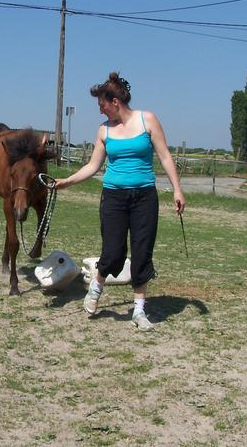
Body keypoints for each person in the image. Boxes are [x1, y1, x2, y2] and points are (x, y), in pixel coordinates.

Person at [55, 72, 185, 331]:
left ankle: (139, 310)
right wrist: (66, 182)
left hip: (145, 197)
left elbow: (165, 157)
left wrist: (177, 190)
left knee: (142, 251)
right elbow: (93, 166)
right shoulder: (104, 130)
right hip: (114, 196)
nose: (100, 111)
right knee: (113, 252)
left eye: (102, 105)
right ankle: (96, 286)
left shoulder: (147, 119)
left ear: (115, 102)